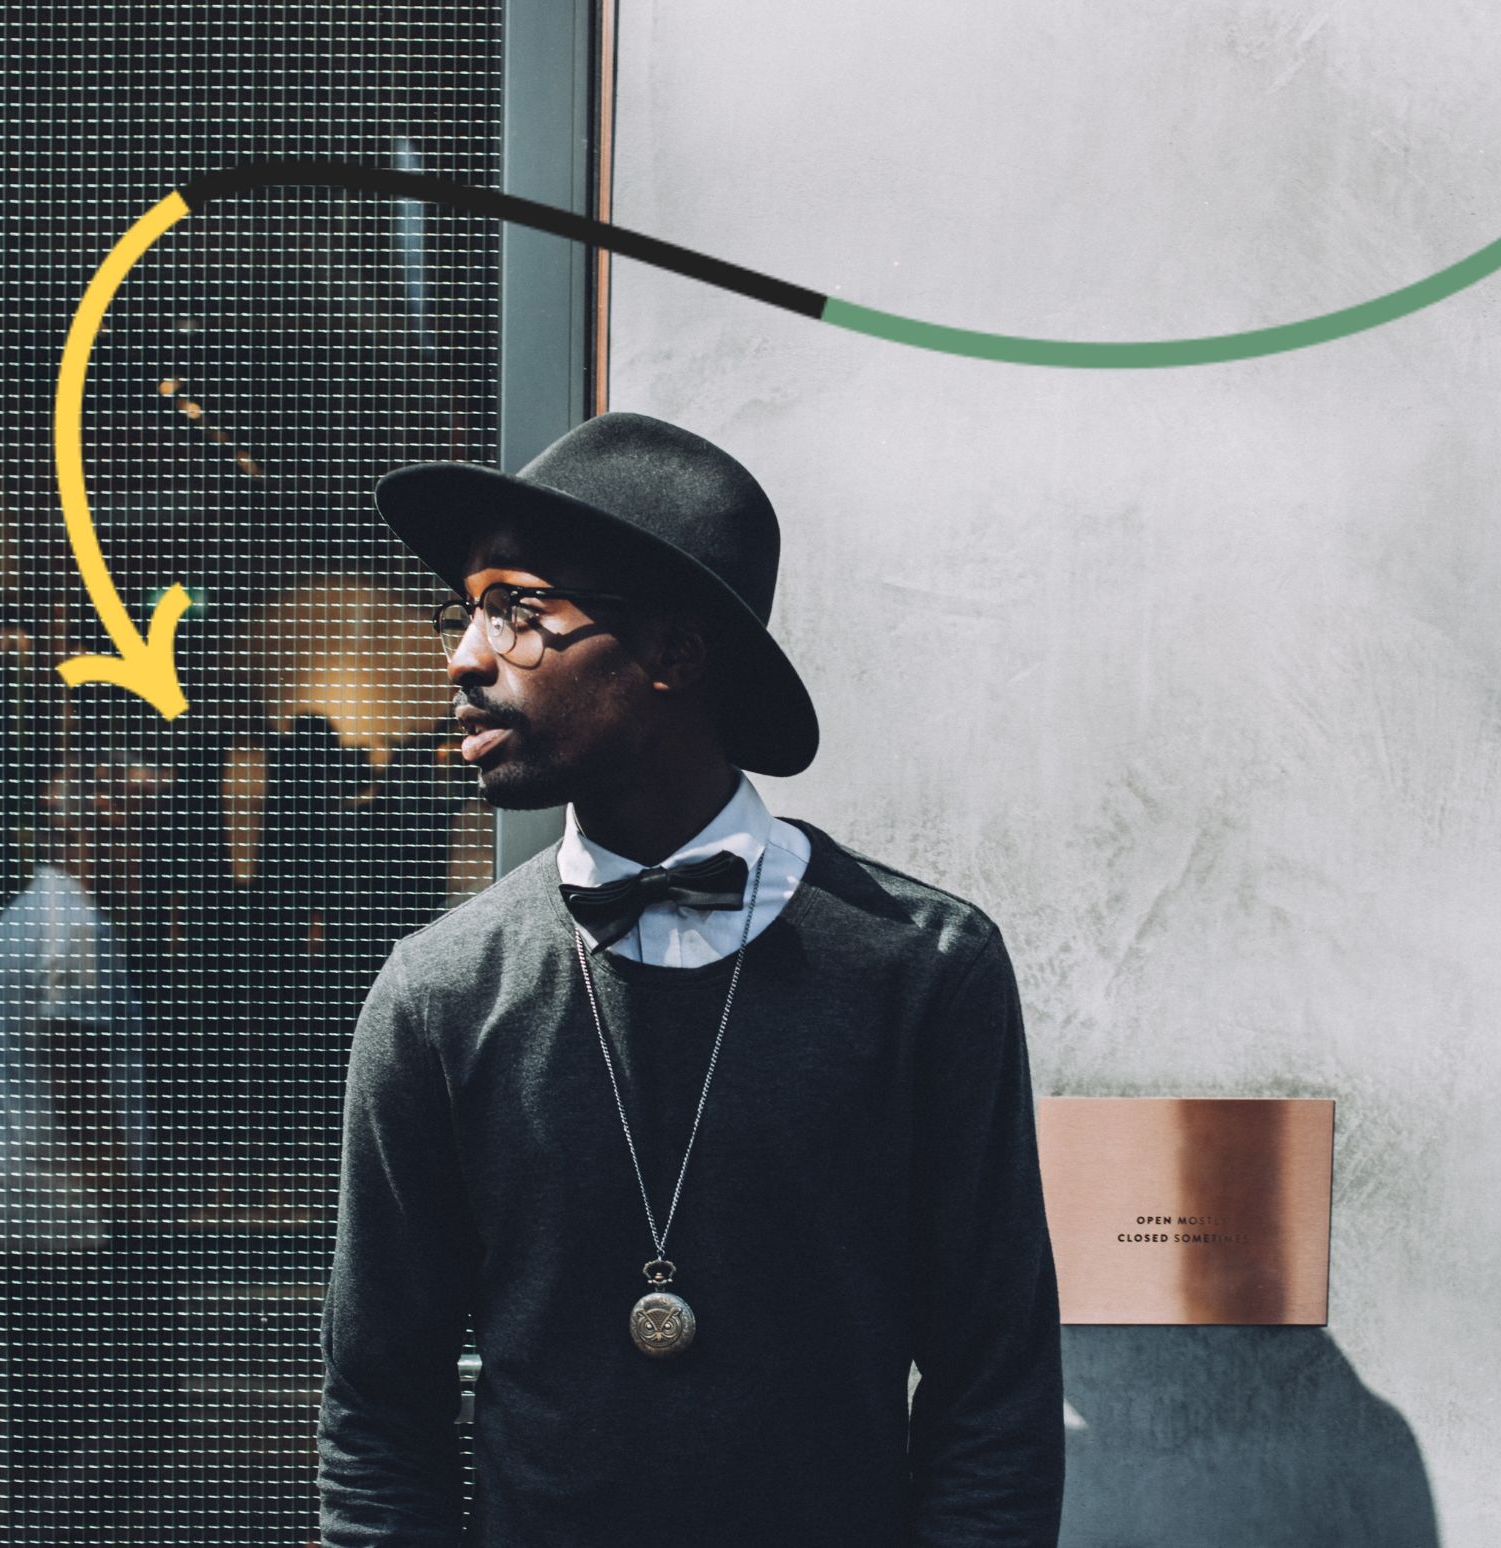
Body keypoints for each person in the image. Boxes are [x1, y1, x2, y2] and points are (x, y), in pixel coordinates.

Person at [316, 411, 1066, 1546]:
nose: (464, 656)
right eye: (465, 610)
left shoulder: (922, 970)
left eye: (516, 610)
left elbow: (991, 1399)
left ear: (670, 653)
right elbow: (379, 1416)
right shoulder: (437, 997)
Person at [0, 746, 159, 1527]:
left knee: (44, 1422)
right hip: (68, 1219)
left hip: (19, 1204)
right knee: (94, 1429)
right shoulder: (72, 931)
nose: (140, 856)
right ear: (89, 836)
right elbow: (77, 1085)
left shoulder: (18, 922)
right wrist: (130, 1206)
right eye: (129, 835)